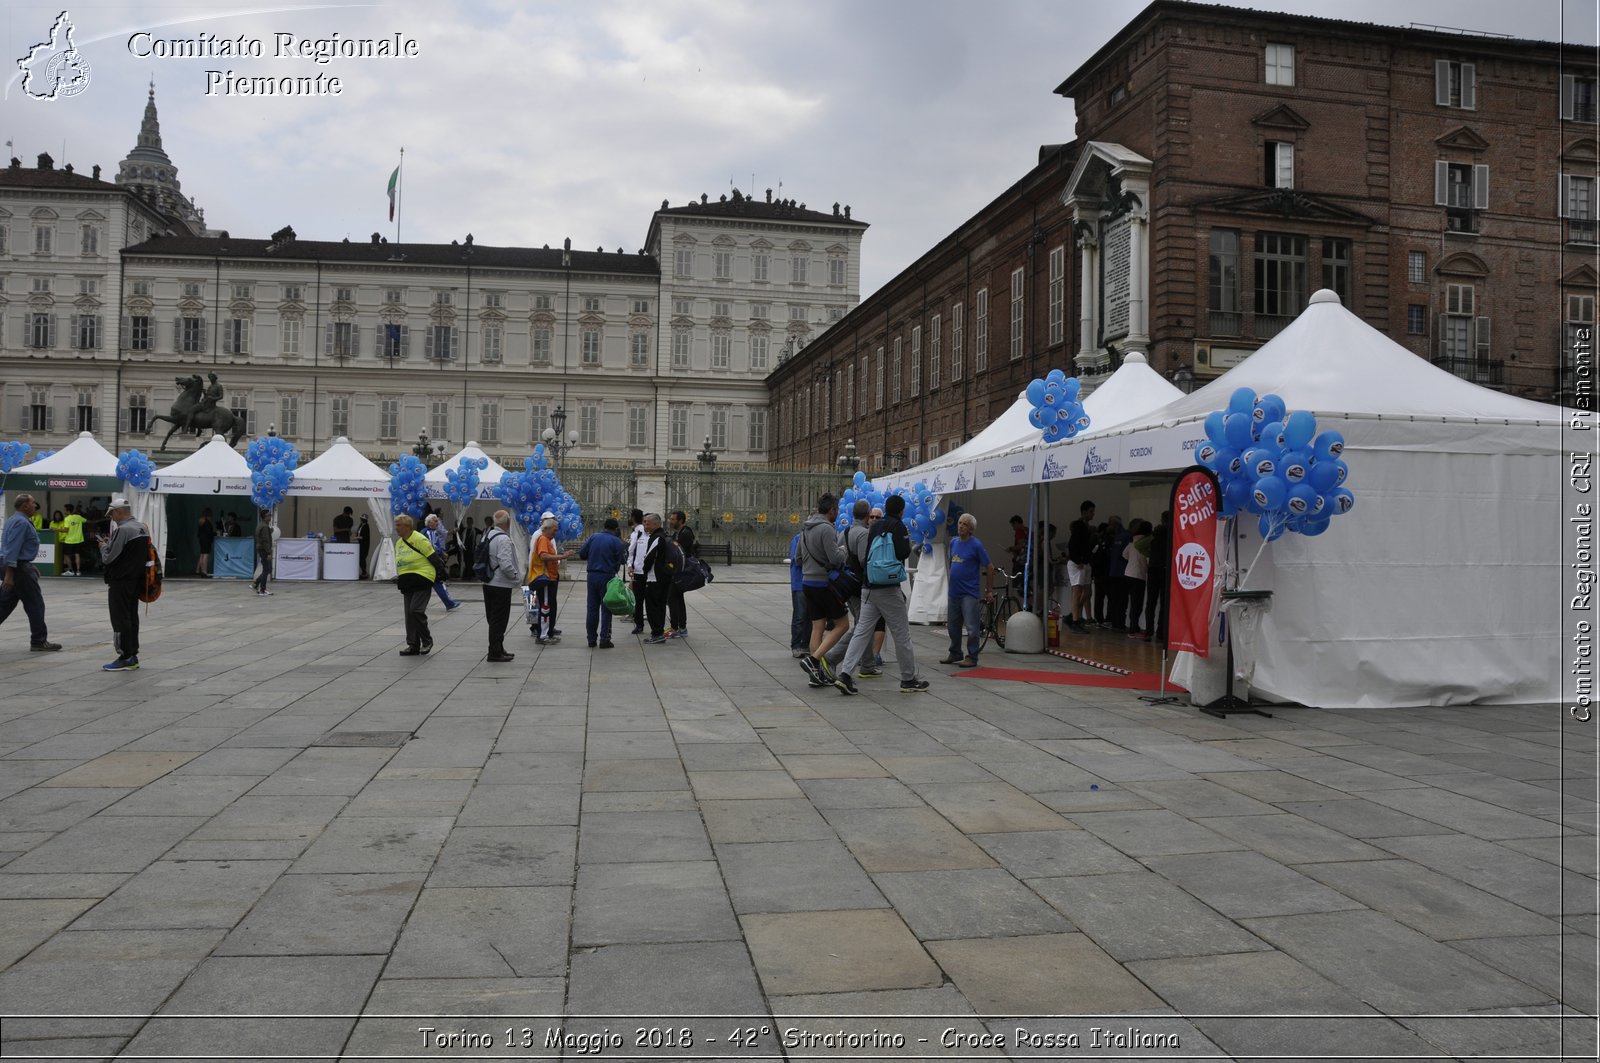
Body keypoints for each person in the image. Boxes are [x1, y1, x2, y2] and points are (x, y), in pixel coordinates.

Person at [831, 493, 928, 694]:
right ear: (901, 510)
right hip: (888, 587)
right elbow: (903, 553)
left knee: (861, 631)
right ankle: (908, 679)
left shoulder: (874, 527)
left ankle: (845, 674)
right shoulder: (898, 526)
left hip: (869, 586)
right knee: (901, 632)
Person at [822, 499, 882, 681]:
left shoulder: (845, 531)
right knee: (862, 625)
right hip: (859, 586)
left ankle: (868, 664)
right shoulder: (863, 534)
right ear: (866, 515)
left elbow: (838, 555)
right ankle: (832, 657)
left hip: (846, 585)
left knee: (864, 623)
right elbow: (865, 561)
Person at [796, 493, 849, 685]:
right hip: (823, 583)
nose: (838, 513)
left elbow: (798, 558)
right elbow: (835, 558)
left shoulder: (805, 528)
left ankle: (815, 675)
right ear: (832, 510)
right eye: (837, 510)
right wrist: (843, 550)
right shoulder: (827, 529)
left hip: (807, 583)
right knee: (843, 625)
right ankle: (814, 660)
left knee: (817, 627)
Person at [0, 494, 61, 652]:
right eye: (33, 503)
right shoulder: (21, 522)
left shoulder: (14, 520)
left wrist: (29, 565)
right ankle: (39, 641)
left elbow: (16, 549)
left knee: (4, 604)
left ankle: (39, 640)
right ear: (25, 506)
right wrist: (9, 575)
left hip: (19, 567)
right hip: (17, 569)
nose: (35, 506)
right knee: (35, 604)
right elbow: (12, 549)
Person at [98, 497, 150, 671]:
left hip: (120, 581)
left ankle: (125, 655)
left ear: (119, 511)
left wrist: (103, 546)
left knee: (120, 619)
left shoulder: (124, 530)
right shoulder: (142, 528)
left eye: (112, 513)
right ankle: (133, 653)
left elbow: (109, 557)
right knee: (131, 617)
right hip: (136, 580)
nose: (111, 517)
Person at [943, 513, 994, 668]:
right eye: (959, 523)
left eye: (965, 524)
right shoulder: (953, 542)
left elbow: (990, 567)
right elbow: (952, 563)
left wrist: (989, 590)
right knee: (953, 626)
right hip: (954, 592)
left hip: (969, 593)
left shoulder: (976, 545)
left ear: (971, 529)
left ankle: (972, 656)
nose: (961, 526)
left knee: (972, 628)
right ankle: (955, 652)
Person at [578, 517, 628, 649]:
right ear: (616, 529)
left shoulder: (593, 537)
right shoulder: (617, 542)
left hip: (592, 575)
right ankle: (605, 639)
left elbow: (582, 554)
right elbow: (622, 560)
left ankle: (591, 639)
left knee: (592, 608)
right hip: (608, 577)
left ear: (604, 526)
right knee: (606, 608)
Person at [392, 513, 437, 656]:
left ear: (407, 526)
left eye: (399, 525)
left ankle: (427, 640)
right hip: (407, 581)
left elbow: (433, 557)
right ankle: (413, 645)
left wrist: (439, 576)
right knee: (409, 615)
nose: (396, 528)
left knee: (416, 610)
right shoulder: (399, 542)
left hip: (422, 578)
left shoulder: (419, 538)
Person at [527, 511, 573, 644]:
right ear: (546, 527)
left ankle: (547, 632)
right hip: (545, 578)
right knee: (545, 606)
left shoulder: (547, 539)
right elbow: (544, 556)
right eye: (554, 530)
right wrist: (562, 557)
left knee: (548, 605)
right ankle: (543, 635)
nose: (556, 532)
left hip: (550, 577)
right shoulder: (542, 539)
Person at [478, 510, 517, 662]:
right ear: (507, 523)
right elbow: (506, 564)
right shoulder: (504, 539)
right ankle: (494, 652)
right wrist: (515, 575)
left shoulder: (487, 535)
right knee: (499, 619)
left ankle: (498, 648)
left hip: (488, 582)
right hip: (501, 584)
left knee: (492, 618)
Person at [1065, 500, 1096, 631]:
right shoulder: (1079, 527)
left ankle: (1073, 614)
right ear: (1083, 512)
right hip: (1078, 563)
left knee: (1088, 592)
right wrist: (1079, 560)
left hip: (1085, 562)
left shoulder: (1085, 527)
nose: (1093, 514)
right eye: (1090, 512)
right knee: (1077, 591)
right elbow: (1073, 544)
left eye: (1093, 512)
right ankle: (1075, 620)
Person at [640, 512, 671, 644]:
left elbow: (649, 558)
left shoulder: (656, 537)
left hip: (655, 578)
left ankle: (657, 633)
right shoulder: (663, 536)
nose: (644, 524)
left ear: (655, 524)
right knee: (660, 605)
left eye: (647, 522)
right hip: (663, 577)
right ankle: (659, 633)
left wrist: (644, 571)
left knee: (653, 606)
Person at [423, 514, 462, 612]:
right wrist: (442, 552)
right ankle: (449, 603)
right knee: (438, 581)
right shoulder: (430, 532)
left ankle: (422, 604)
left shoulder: (425, 531)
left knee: (430, 584)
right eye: (435, 521)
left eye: (438, 521)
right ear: (429, 522)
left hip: (426, 561)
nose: (437, 523)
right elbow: (432, 546)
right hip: (432, 561)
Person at [666, 510, 696, 638]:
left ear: (681, 521)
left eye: (673, 519)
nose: (671, 521)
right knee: (676, 599)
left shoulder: (685, 534)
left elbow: (676, 551)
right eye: (671, 519)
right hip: (677, 570)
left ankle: (677, 628)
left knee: (674, 599)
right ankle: (680, 627)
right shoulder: (679, 533)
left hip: (680, 571)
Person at [1144, 511, 1171, 644]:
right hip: (1165, 569)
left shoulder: (1154, 533)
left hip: (1153, 568)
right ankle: (1161, 632)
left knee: (1151, 601)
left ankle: (1148, 631)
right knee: (1164, 602)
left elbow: (1139, 545)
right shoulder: (1172, 534)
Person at [1124, 519, 1153, 638]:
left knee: (1132, 603)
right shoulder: (1148, 542)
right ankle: (1133, 629)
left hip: (1128, 574)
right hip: (1139, 576)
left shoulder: (1131, 542)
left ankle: (1132, 627)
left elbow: (1124, 555)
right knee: (1137, 604)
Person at [626, 508, 648, 635]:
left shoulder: (640, 532)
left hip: (641, 570)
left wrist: (630, 565)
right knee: (638, 598)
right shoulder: (636, 532)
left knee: (639, 598)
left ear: (633, 517)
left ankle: (639, 623)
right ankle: (638, 621)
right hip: (639, 568)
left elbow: (633, 550)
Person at [787, 528, 809, 658]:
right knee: (800, 616)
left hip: (811, 582)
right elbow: (796, 559)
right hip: (800, 582)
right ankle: (796, 645)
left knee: (810, 617)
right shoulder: (798, 538)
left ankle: (806, 644)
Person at [1106, 514, 1130, 630]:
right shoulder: (1118, 536)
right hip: (1118, 573)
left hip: (1119, 573)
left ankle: (1118, 623)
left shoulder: (1123, 536)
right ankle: (1117, 623)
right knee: (1118, 600)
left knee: (1118, 600)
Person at [58, 503, 86, 576]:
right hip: (78, 539)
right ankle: (78, 571)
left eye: (65, 510)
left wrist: (56, 529)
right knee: (77, 555)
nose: (64, 512)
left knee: (66, 555)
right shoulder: (79, 517)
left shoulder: (67, 519)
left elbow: (66, 530)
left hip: (69, 540)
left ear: (68, 511)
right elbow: (86, 521)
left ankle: (71, 570)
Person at [253, 510, 274, 596]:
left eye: (271, 515)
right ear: (265, 517)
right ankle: (262, 589)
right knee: (267, 569)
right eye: (269, 515)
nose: (270, 517)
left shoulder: (261, 525)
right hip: (264, 550)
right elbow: (266, 540)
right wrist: (269, 552)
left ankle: (255, 584)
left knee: (267, 569)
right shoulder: (264, 527)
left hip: (261, 549)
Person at [196, 509, 215, 578]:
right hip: (206, 540)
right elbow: (209, 532)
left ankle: (201, 571)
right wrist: (215, 533)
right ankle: (204, 571)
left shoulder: (201, 521)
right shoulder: (207, 523)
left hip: (201, 540)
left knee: (202, 555)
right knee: (206, 556)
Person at [458, 516, 479, 581]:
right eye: (468, 522)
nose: (469, 523)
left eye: (470, 522)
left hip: (472, 549)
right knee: (466, 562)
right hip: (465, 549)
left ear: (472, 522)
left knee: (471, 562)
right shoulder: (464, 530)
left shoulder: (475, 530)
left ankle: (470, 575)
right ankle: (467, 575)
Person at [357, 514, 371, 578]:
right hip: (360, 544)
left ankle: (364, 572)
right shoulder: (361, 525)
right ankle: (363, 572)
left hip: (364, 545)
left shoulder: (366, 526)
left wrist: (357, 537)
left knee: (362, 558)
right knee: (360, 558)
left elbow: (364, 536)